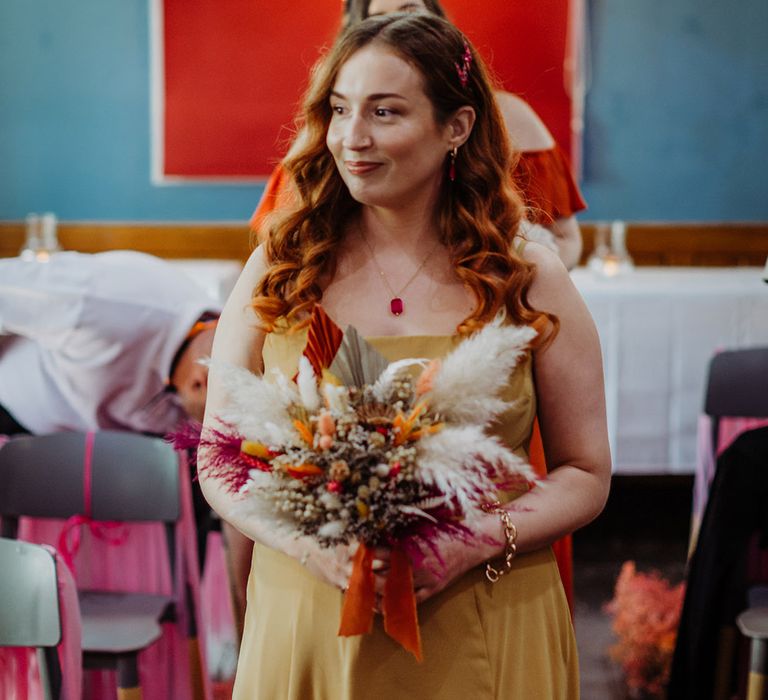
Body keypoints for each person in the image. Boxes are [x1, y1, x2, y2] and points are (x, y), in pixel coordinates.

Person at [201, 13, 609, 698]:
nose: (351, 139)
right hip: (310, 617)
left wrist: (470, 542)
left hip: (484, 614)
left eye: (384, 112)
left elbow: (585, 472)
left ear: (457, 126)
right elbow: (220, 452)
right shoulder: (282, 265)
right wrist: (308, 546)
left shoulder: (527, 274)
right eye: (339, 110)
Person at [251, 0, 586, 270]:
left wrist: (525, 279)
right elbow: (283, 235)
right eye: (380, 18)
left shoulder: (511, 118)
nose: (396, 27)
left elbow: (566, 239)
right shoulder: (328, 134)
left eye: (408, 11)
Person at [0, 250, 220, 437]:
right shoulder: (101, 301)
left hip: (100, 450)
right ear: (199, 384)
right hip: (13, 412)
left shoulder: (228, 337)